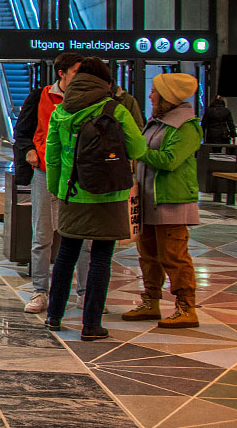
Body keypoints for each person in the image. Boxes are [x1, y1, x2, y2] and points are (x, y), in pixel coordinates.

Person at [43, 57, 147, 340]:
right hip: (109, 193)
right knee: (101, 258)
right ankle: (91, 325)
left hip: (72, 192)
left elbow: (51, 157)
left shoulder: (61, 111)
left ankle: (54, 316)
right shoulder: (115, 109)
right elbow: (138, 148)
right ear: (105, 80)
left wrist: (59, 189)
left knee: (66, 255)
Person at [121, 73, 203, 328]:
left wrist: (139, 150)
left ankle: (186, 307)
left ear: (168, 96)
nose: (150, 95)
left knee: (174, 256)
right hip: (148, 200)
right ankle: (151, 301)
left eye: (155, 91)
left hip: (172, 202)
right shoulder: (156, 121)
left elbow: (170, 160)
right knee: (148, 254)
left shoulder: (187, 125)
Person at [13, 51, 90, 314]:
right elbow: (22, 132)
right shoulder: (41, 96)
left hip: (80, 175)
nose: (82, 78)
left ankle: (84, 293)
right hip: (45, 172)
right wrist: (28, 151)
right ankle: (39, 291)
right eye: (77, 72)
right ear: (62, 73)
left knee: (84, 237)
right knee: (42, 235)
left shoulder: (90, 101)